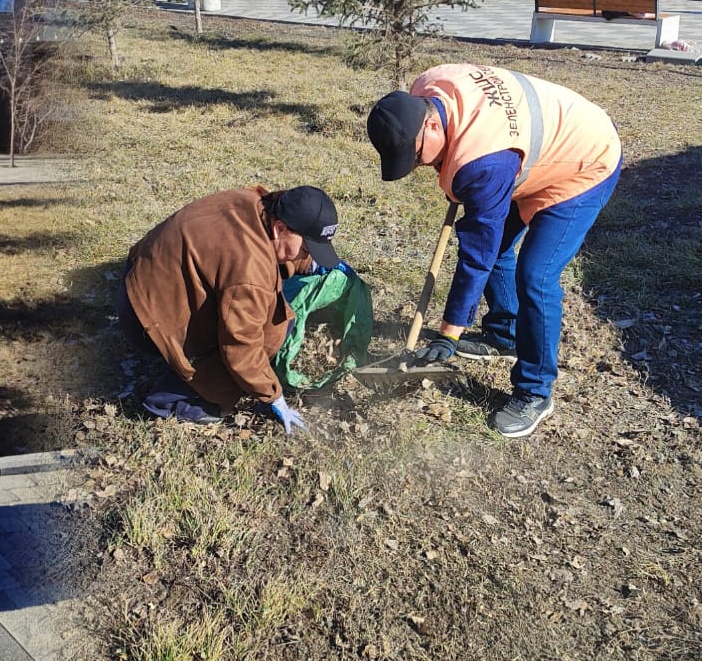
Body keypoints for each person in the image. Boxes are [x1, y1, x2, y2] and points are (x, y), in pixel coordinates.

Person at [367, 64, 622, 439]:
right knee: (499, 243)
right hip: (532, 149)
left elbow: (477, 254)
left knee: (536, 276)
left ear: (432, 125)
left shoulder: (482, 163)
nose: (421, 166)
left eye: (418, 156)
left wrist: (448, 334)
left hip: (585, 160)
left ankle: (535, 391)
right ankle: (505, 333)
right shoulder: (430, 84)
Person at [118, 184, 343, 429]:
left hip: (138, 278)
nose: (306, 255)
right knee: (273, 327)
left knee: (272, 315)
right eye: (307, 249)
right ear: (280, 228)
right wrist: (273, 395)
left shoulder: (253, 203)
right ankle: (171, 400)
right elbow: (241, 345)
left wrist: (307, 264)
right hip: (144, 316)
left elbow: (257, 251)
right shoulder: (250, 272)